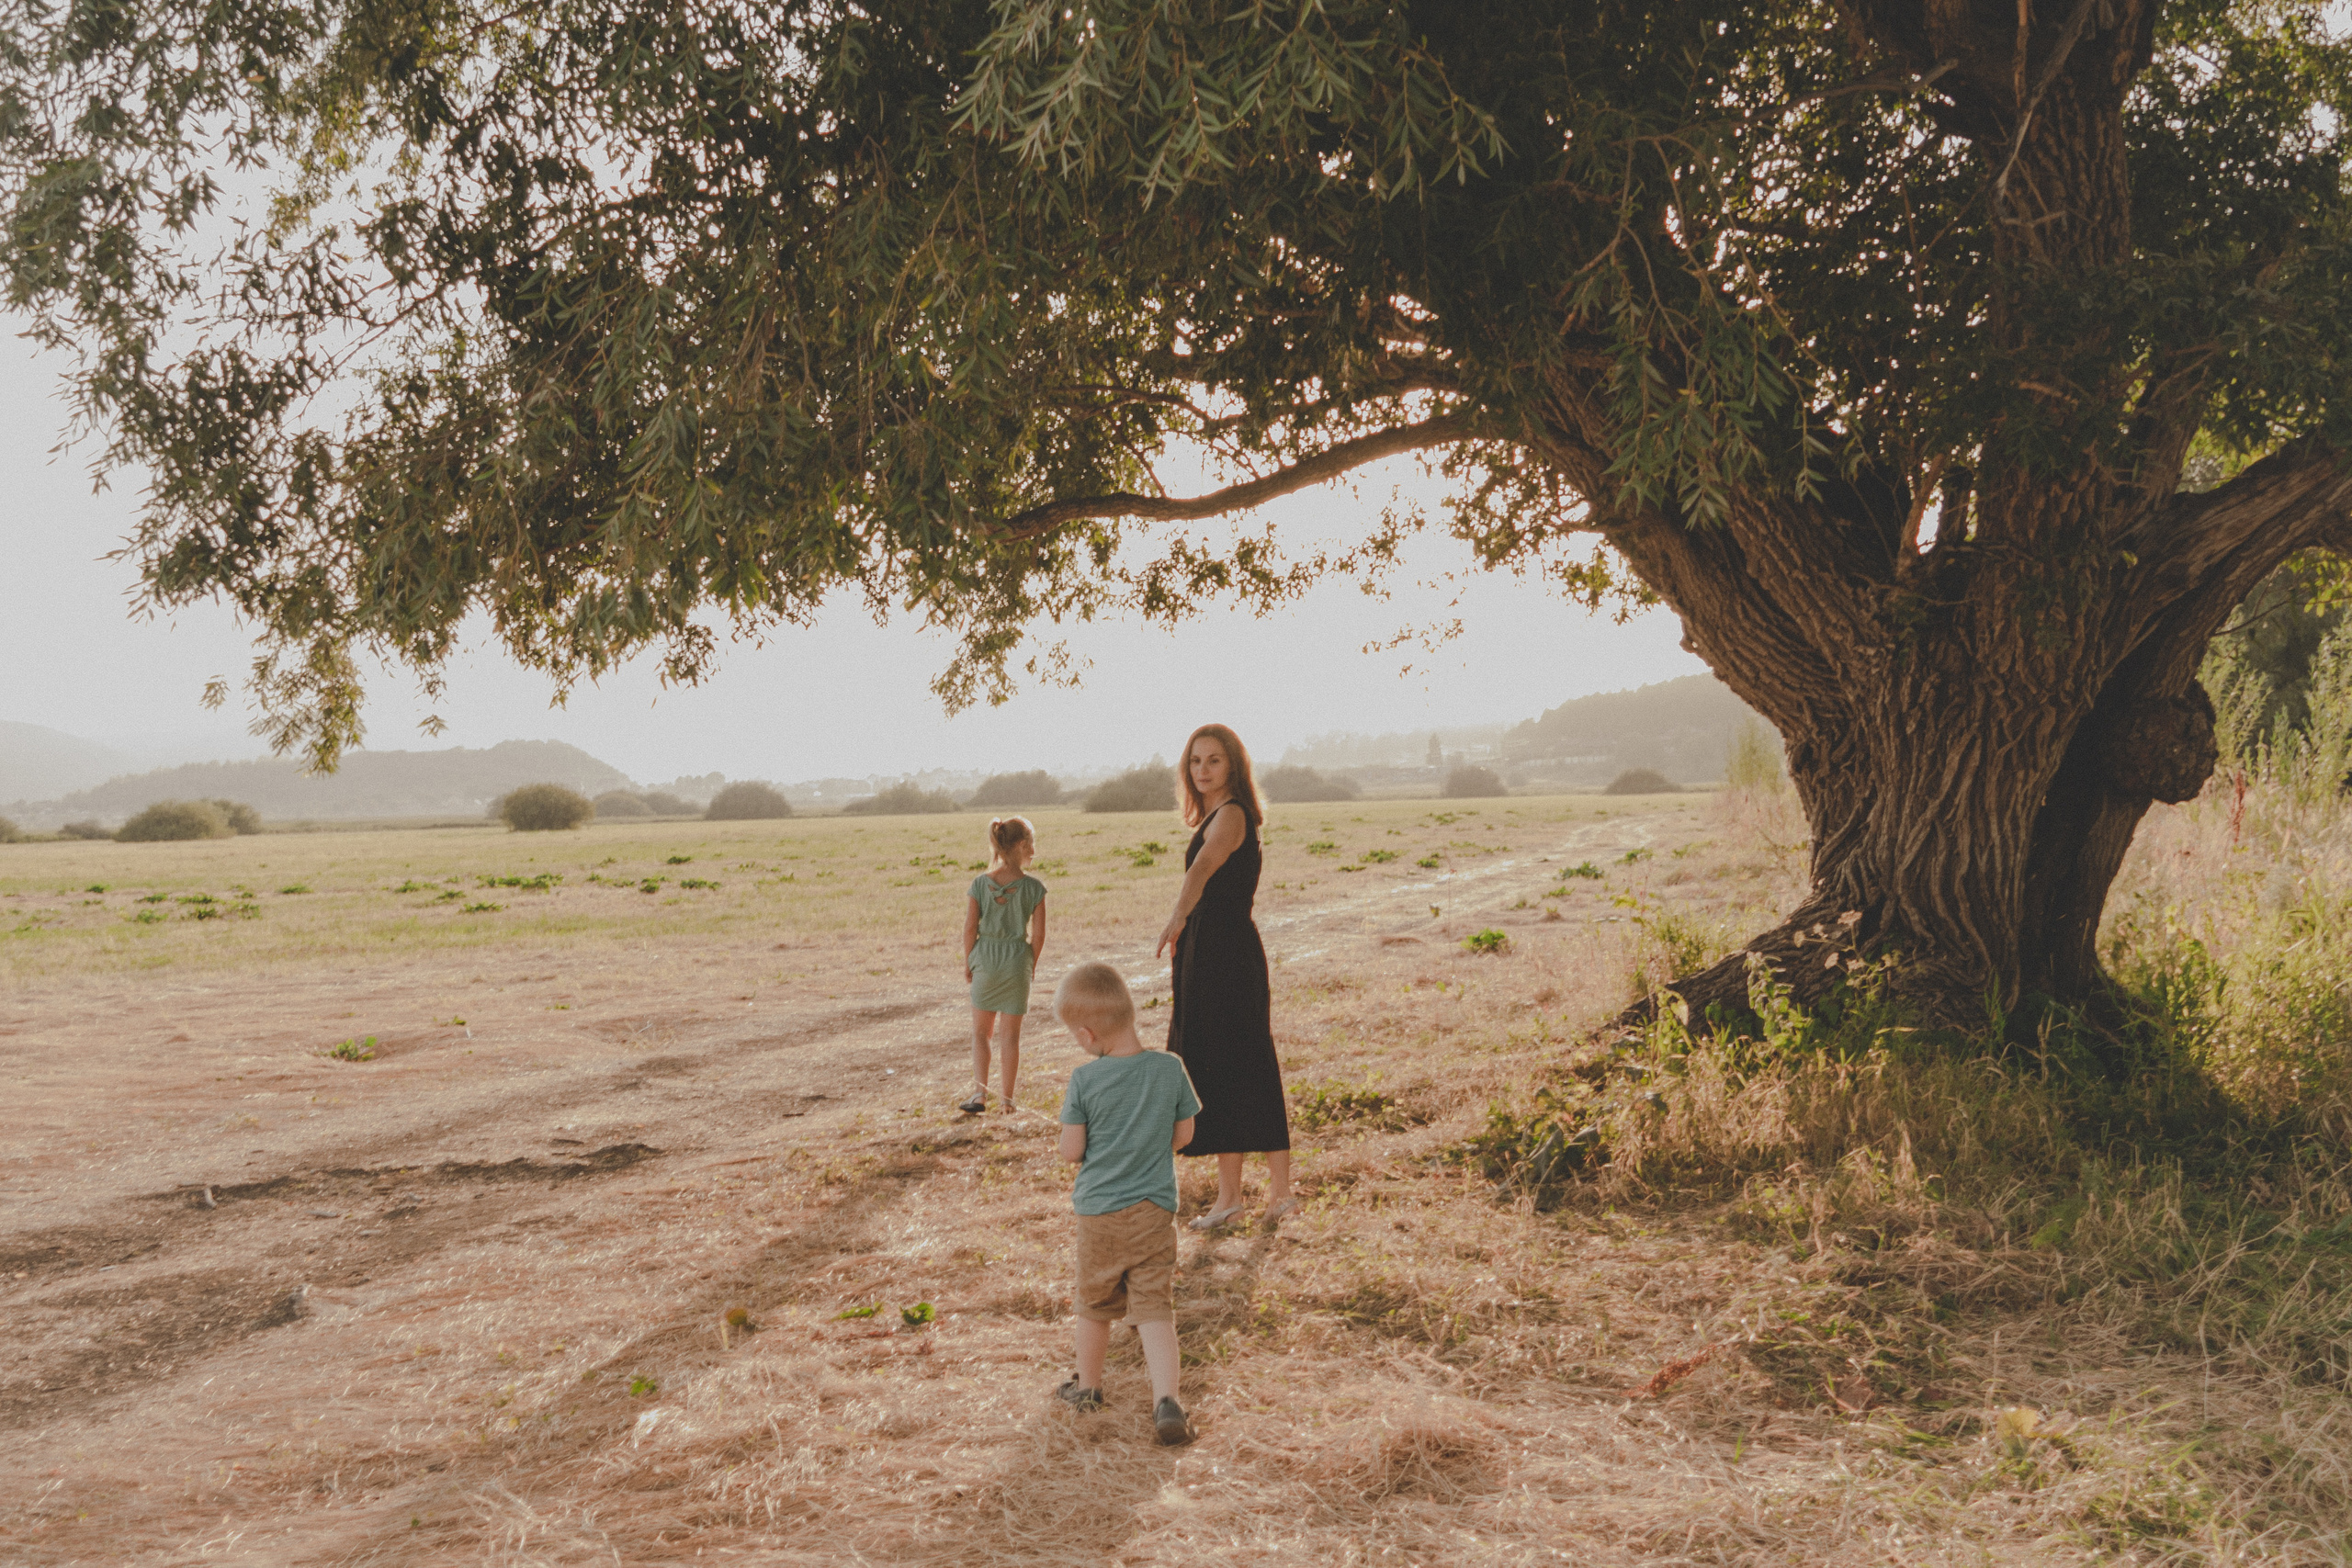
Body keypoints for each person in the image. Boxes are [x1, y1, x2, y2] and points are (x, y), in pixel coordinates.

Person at [1052, 962, 1201, 1446]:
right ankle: (1167, 1401)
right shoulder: (1170, 1067)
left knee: (1094, 1304)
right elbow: (1184, 1135)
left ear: (1088, 1033)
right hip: (1155, 1209)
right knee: (1155, 1306)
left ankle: (1090, 1387)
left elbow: (1073, 1151)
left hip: (1099, 1213)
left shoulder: (1084, 1080)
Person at [1156, 723, 1297, 1230]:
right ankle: (1230, 1198)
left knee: (1249, 1064)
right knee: (1217, 1068)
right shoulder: (1218, 813)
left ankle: (1281, 1193)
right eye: (1195, 762)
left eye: (1213, 761)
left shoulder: (1233, 815)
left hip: (1228, 951)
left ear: (1233, 764)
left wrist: (1175, 919)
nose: (1202, 771)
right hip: (1208, 949)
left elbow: (1203, 871)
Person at [960, 816, 1047, 1115]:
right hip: (1016, 963)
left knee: (981, 1034)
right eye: (1032, 843)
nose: (1034, 849)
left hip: (985, 959)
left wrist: (970, 961)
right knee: (1011, 1037)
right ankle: (1008, 1101)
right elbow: (1038, 935)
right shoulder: (1035, 888)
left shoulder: (979, 884)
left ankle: (979, 1094)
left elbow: (970, 928)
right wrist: (1029, 964)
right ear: (1022, 845)